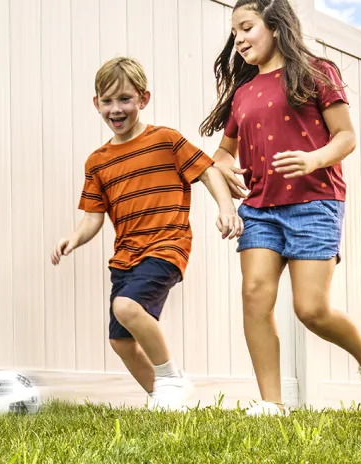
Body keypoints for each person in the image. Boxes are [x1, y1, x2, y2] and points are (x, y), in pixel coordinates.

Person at [199, 0, 361, 417]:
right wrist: (226, 189)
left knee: (311, 309)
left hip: (315, 202)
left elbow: (346, 137)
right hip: (260, 209)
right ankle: (272, 404)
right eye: (234, 34)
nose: (240, 40)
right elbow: (220, 156)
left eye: (246, 28)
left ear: (275, 24)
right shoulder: (244, 93)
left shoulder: (316, 72)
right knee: (254, 295)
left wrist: (313, 158)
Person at [50, 56, 243, 411]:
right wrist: (74, 238)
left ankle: (172, 378)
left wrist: (226, 208)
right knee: (121, 340)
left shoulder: (165, 140)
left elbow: (209, 171)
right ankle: (166, 403)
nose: (116, 108)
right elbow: (93, 216)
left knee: (127, 306)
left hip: (167, 245)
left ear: (143, 98)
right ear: (96, 104)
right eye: (107, 101)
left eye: (125, 99)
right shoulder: (98, 161)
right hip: (126, 255)